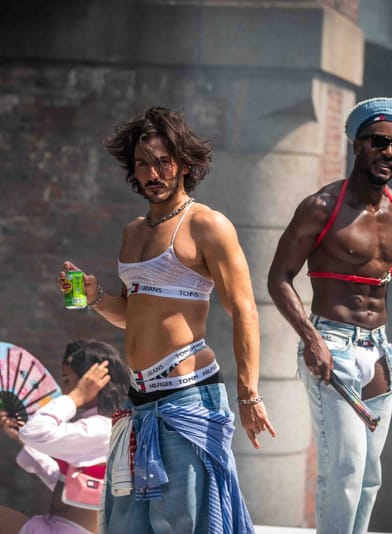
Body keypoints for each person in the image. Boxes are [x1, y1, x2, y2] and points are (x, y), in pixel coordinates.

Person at [59, 106, 275, 533]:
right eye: (143, 164)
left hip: (188, 398)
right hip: (138, 403)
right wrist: (95, 295)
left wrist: (249, 394)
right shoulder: (133, 231)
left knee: (186, 522)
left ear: (183, 164)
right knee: (127, 524)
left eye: (163, 161)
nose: (153, 173)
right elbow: (131, 314)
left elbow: (244, 310)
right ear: (132, 171)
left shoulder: (206, 225)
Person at [267, 97, 392, 534]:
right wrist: (311, 340)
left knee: (370, 474)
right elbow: (278, 277)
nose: (389, 153)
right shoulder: (322, 206)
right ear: (358, 145)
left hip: (379, 351)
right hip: (331, 346)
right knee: (345, 468)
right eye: (379, 142)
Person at [0, 339, 129, 534]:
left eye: (68, 381)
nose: (65, 390)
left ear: (92, 382)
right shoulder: (105, 427)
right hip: (60, 528)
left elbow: (36, 432)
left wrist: (75, 398)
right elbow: (64, 481)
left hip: (64, 530)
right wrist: (22, 438)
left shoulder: (100, 428)